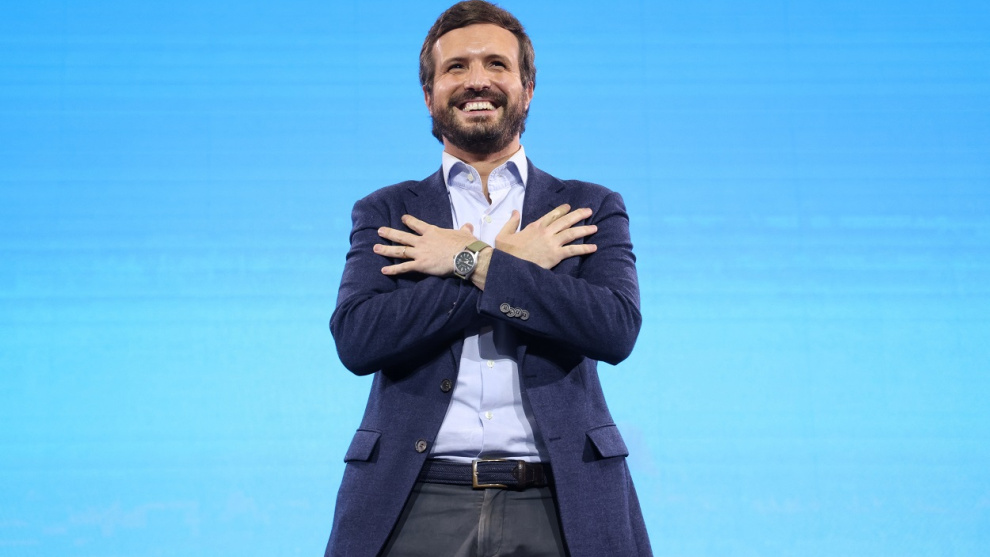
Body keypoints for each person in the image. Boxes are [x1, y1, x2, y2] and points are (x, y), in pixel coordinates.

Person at [324, 2, 652, 555]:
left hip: (559, 496)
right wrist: (508, 264)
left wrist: (474, 261)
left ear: (528, 88)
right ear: (428, 94)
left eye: (497, 64)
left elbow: (615, 329)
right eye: (456, 67)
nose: (477, 80)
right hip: (415, 497)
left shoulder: (588, 206)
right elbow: (359, 338)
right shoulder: (388, 210)